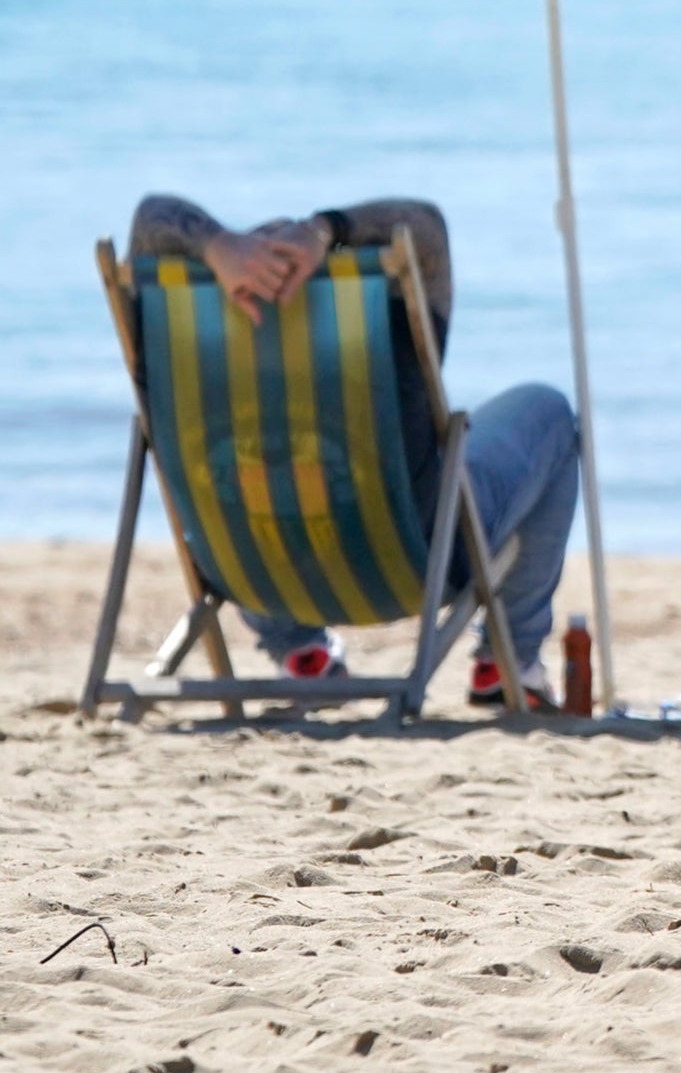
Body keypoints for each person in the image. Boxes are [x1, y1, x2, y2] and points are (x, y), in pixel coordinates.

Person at [128, 195, 580, 710]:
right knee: (549, 413)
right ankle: (508, 661)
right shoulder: (381, 338)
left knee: (256, 490)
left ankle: (302, 655)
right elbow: (425, 225)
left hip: (250, 572)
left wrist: (219, 246)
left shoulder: (183, 352)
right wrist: (322, 232)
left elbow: (151, 218)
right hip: (412, 562)